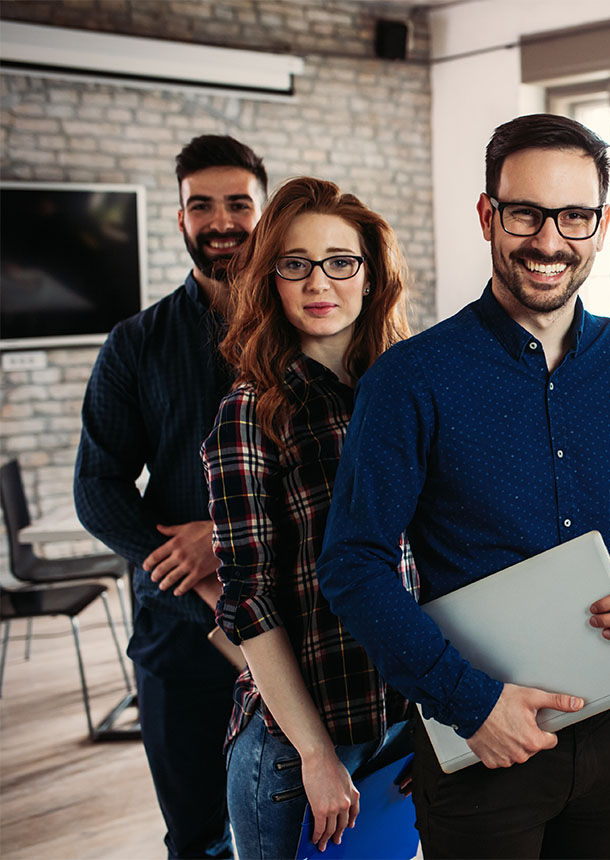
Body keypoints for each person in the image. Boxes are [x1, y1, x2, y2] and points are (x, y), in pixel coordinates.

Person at [314, 113, 610, 859]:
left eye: (574, 216)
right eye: (526, 213)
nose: (550, 241)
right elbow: (351, 563)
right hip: (479, 745)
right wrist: (470, 704)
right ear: (488, 214)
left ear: (602, 225)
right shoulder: (410, 379)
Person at [201, 177, 416, 859]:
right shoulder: (251, 411)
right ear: (271, 279)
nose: (319, 282)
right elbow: (249, 600)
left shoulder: (405, 393)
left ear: (371, 274)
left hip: (404, 725)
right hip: (300, 751)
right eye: (295, 264)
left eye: (340, 261)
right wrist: (318, 755)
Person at [74, 135, 266, 859]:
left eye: (238, 203)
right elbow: (96, 486)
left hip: (309, 623)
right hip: (180, 638)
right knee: (196, 837)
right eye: (201, 205)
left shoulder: (312, 325)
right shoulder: (135, 343)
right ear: (180, 218)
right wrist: (188, 566)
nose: (221, 221)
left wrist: (225, 536)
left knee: (315, 825)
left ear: (264, 211)